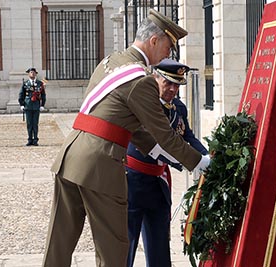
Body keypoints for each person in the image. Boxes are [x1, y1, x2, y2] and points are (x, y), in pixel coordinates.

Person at [42, 9, 210, 267]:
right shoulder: (141, 81)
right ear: (154, 41)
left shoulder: (110, 62)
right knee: (113, 250)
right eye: (167, 47)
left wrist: (156, 152)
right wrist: (200, 163)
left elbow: (131, 127)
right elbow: (164, 134)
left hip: (71, 155)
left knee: (59, 244)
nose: (168, 54)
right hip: (100, 165)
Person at [126, 59, 209, 267]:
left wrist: (208, 157)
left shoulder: (178, 108)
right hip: (132, 183)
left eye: (177, 85)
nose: (173, 89)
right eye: (168, 83)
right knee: (125, 245)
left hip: (158, 184)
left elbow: (187, 137)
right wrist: (194, 162)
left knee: (159, 247)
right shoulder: (145, 104)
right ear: (156, 78)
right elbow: (158, 145)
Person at [18, 67, 46, 146]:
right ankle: (30, 139)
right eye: (31, 72)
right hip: (28, 105)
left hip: (36, 105)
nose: (32, 74)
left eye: (33, 72)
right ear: (28, 74)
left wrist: (42, 105)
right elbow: (21, 95)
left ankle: (35, 139)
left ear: (36, 74)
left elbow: (43, 95)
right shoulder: (25, 83)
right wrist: (22, 105)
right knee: (29, 124)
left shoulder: (40, 83)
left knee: (35, 123)